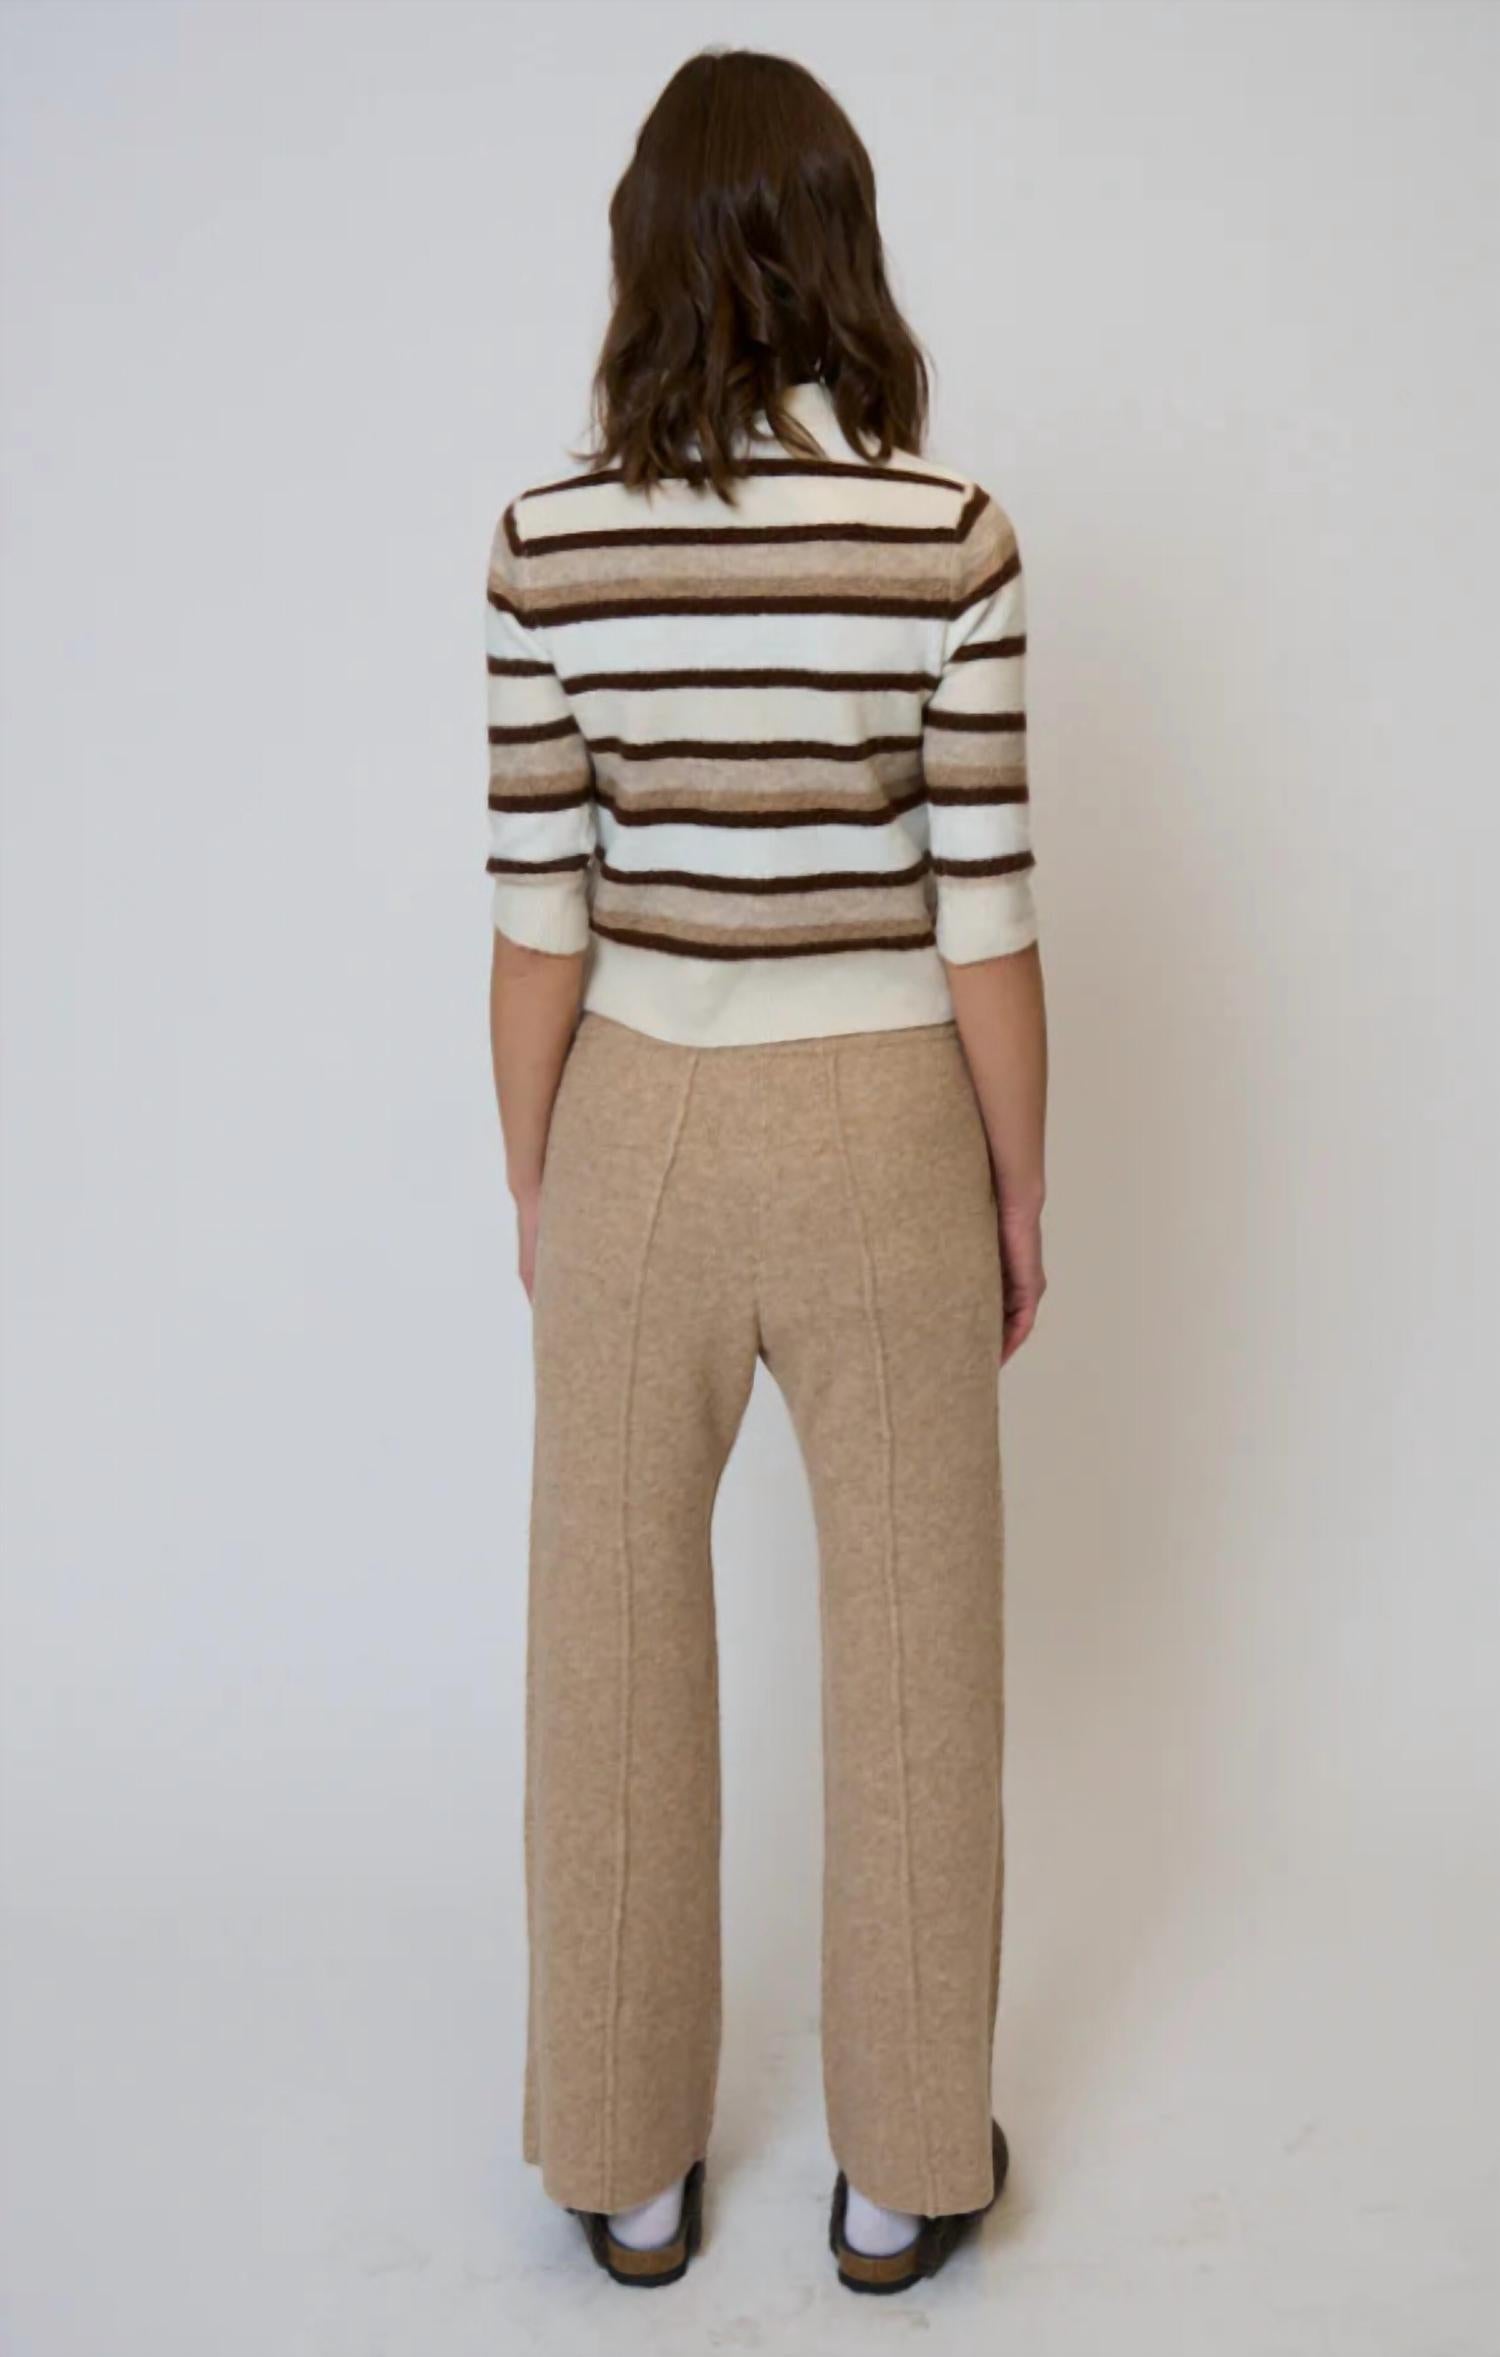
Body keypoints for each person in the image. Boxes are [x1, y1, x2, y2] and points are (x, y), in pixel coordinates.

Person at [484, 45, 1048, 2296]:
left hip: (633, 1108)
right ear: (843, 250)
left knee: (606, 1637)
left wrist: (538, 1177)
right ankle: (904, 2166)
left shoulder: (548, 545)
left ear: (646, 254)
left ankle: (623, 2160)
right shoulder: (949, 535)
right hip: (888, 1115)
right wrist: (1019, 1193)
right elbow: (984, 911)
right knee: (919, 1643)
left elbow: (538, 912)